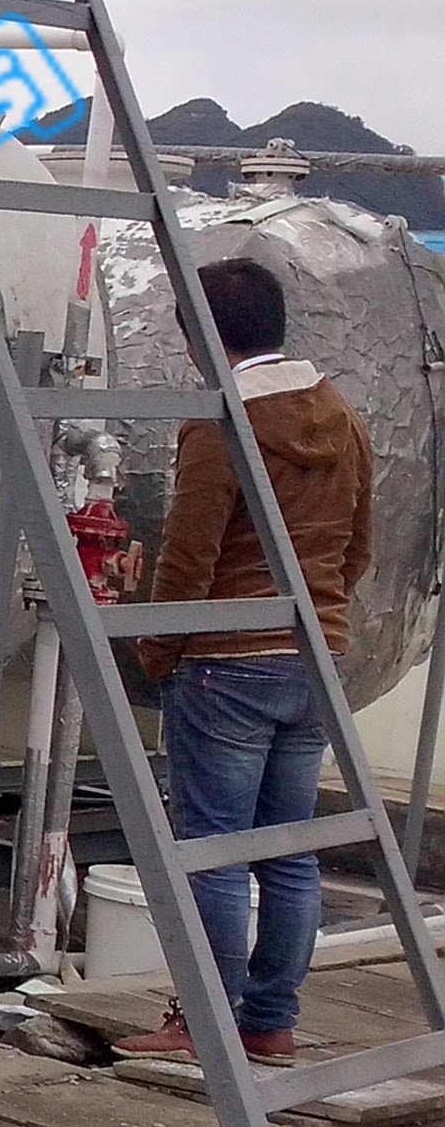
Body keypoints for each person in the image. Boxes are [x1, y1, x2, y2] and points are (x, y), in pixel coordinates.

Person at [116, 258, 373, 1064]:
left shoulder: (219, 420)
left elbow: (188, 556)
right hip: (314, 654)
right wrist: (318, 615)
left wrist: (157, 651)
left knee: (215, 852)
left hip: (227, 658)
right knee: (289, 854)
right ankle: (270, 1022)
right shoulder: (341, 414)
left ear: (201, 333)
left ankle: (203, 1023)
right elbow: (359, 547)